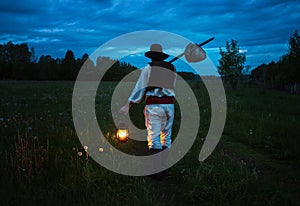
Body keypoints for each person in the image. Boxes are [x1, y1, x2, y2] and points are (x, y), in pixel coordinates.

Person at [120, 43, 176, 176]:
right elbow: (172, 86)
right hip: (170, 106)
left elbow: (139, 88)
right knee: (166, 137)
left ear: (151, 57)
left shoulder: (148, 68)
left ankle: (157, 171)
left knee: (154, 137)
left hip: (154, 107)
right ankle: (163, 167)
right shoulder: (172, 68)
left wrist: (128, 105)